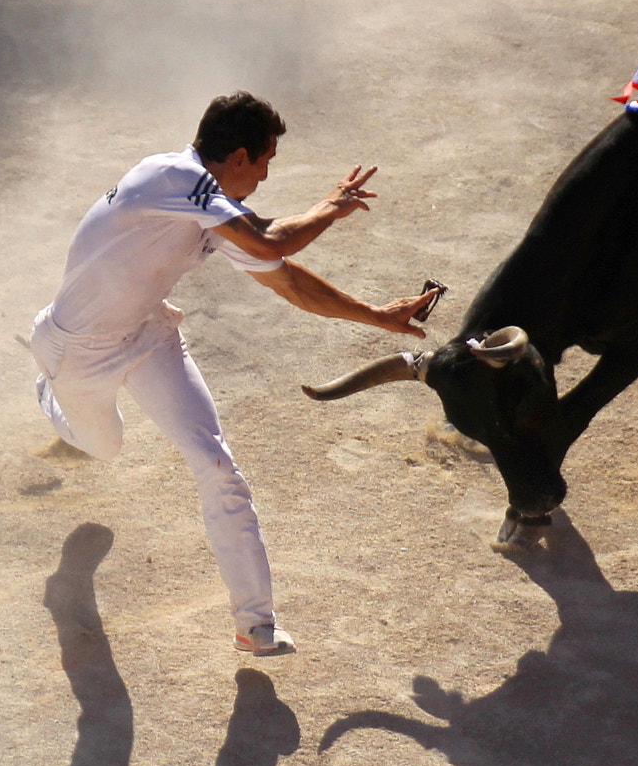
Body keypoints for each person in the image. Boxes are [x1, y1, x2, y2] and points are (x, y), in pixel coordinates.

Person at [31, 91, 436, 657]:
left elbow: (287, 277)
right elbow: (273, 238)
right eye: (267, 161)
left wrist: (374, 315)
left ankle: (256, 624)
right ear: (240, 155)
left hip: (147, 333)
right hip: (78, 352)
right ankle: (49, 390)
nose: (266, 176)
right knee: (105, 446)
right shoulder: (173, 176)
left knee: (217, 465)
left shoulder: (206, 209)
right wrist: (332, 207)